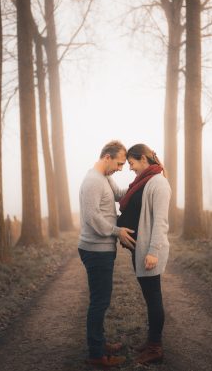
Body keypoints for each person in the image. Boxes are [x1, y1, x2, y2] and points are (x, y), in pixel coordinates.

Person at [78, 140, 135, 368]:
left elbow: (121, 195)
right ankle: (96, 355)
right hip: (95, 250)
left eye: (123, 165)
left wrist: (142, 180)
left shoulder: (104, 178)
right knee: (99, 303)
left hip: (102, 250)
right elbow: (92, 218)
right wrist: (117, 231)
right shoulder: (93, 181)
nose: (120, 168)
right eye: (119, 164)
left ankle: (99, 344)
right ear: (107, 157)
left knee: (101, 300)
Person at [116, 143, 171, 365]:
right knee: (149, 299)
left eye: (131, 163)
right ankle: (151, 342)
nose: (130, 168)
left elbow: (161, 222)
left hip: (150, 251)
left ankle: (155, 347)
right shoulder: (143, 182)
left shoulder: (159, 183)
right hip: (139, 248)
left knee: (154, 298)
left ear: (143, 160)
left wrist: (153, 252)